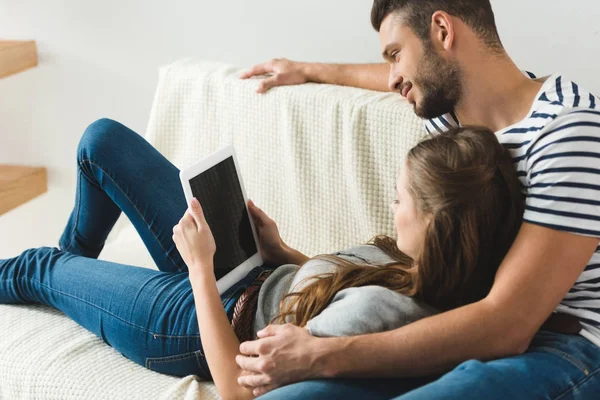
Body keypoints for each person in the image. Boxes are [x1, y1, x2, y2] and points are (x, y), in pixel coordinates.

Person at [234, 0, 600, 399]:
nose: (393, 79)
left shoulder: (569, 132)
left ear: (442, 31)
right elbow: (404, 75)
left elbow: (509, 326)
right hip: (458, 324)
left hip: (566, 345)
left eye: (396, 54)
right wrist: (307, 70)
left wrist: (320, 354)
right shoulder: (455, 119)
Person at [0, 122, 523, 400]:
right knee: (101, 143)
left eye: (400, 199)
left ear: (436, 224)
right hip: (252, 272)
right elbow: (340, 286)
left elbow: (236, 386)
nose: (392, 204)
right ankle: (76, 287)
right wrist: (284, 252)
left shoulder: (378, 320)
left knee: (38, 266)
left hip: (198, 325)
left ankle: (63, 283)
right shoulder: (422, 267)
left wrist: (201, 270)